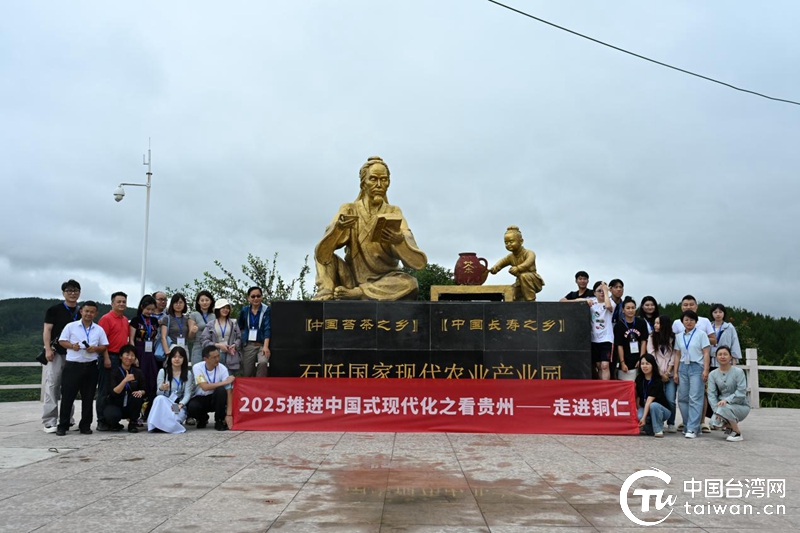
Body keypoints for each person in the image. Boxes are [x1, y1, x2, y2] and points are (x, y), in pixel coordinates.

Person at [312, 156, 428, 301]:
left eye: (384, 180)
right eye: (373, 179)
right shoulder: (349, 209)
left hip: (385, 281)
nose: (379, 185)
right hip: (350, 280)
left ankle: (361, 293)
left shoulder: (394, 212)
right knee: (322, 251)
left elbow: (418, 262)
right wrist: (338, 229)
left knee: (410, 283)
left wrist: (399, 241)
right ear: (363, 183)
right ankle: (326, 292)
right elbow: (322, 254)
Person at [56, 301, 109, 435]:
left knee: (88, 398)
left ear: (96, 313)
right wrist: (72, 346)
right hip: (73, 366)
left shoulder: (99, 329)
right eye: (86, 311)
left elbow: (104, 346)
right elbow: (62, 341)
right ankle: (63, 425)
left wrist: (95, 348)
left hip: (91, 366)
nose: (89, 314)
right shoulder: (71, 326)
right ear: (81, 311)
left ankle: (85, 426)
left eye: (92, 312)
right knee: (67, 397)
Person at [41, 279, 80, 433]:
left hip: (74, 354)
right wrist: (47, 349)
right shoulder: (54, 310)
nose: (72, 293)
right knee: (53, 385)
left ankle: (67, 419)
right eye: (69, 291)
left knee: (70, 387)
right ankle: (50, 421)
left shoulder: (81, 311)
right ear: (63, 293)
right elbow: (47, 330)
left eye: (75, 290)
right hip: (56, 352)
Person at [673, 310, 711, 439]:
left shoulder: (701, 334)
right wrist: (675, 372)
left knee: (695, 398)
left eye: (691, 320)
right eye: (686, 320)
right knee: (682, 398)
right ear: (682, 322)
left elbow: (706, 353)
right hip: (683, 367)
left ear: (696, 321)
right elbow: (677, 354)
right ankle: (689, 425)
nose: (689, 322)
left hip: (697, 367)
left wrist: (706, 370)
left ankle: (692, 428)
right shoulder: (679, 336)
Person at [96, 291, 130, 431]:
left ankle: (112, 420)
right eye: (118, 301)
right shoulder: (106, 319)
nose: (121, 304)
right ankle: (101, 421)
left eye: (124, 302)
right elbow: (101, 341)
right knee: (104, 390)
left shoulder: (125, 319)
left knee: (117, 390)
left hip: (120, 358)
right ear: (112, 303)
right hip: (108, 356)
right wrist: (106, 357)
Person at [488, 225, 545, 301]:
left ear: (521, 241)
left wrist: (518, 268)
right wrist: (495, 268)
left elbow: (527, 263)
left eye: (511, 242)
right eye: (506, 242)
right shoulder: (510, 257)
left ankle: (531, 302)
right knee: (509, 292)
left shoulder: (529, 253)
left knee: (524, 276)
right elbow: (501, 262)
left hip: (533, 280)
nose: (508, 244)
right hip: (519, 283)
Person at [707, 346, 750, 442]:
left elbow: (741, 392)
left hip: (740, 405)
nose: (722, 357)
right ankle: (730, 426)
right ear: (716, 357)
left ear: (730, 357)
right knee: (714, 422)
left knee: (724, 407)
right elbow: (711, 394)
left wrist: (727, 400)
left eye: (725, 354)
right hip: (721, 406)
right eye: (720, 354)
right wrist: (717, 411)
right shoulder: (712, 374)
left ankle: (737, 432)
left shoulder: (738, 372)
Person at [187, 346, 235, 431]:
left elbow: (229, 391)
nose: (217, 359)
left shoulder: (222, 368)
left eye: (218, 356)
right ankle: (203, 419)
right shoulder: (197, 367)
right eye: (214, 357)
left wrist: (229, 414)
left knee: (221, 390)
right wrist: (225, 382)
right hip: (201, 397)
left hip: (215, 398)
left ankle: (219, 420)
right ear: (205, 359)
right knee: (192, 406)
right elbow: (204, 387)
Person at [148, 346, 194, 434]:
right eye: (174, 357)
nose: (177, 359)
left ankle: (163, 425)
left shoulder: (188, 373)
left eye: (180, 357)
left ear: (184, 359)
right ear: (170, 359)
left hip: (177, 404)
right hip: (166, 403)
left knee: (175, 419)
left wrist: (181, 404)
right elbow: (158, 393)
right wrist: (162, 388)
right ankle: (157, 425)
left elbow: (187, 394)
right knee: (159, 398)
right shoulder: (163, 372)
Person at [129, 295, 159, 421]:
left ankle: (148, 411)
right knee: (139, 379)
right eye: (147, 309)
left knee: (151, 380)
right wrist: (133, 356)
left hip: (150, 352)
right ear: (142, 307)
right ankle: (135, 414)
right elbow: (131, 339)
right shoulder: (136, 320)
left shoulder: (154, 321)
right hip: (139, 351)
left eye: (152, 309)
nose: (149, 312)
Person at [578, 281, 615, 380]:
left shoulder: (611, 302)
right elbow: (565, 300)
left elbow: (608, 306)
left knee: (605, 365)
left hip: (606, 339)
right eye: (599, 291)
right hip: (594, 339)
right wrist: (585, 300)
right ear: (594, 292)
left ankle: (606, 387)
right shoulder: (592, 301)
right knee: (598, 366)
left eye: (604, 291)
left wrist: (606, 291)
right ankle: (601, 385)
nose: (602, 293)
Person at [104, 344, 145, 433]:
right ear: (120, 356)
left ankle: (132, 423)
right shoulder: (114, 371)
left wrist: (140, 392)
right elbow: (114, 392)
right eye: (127, 354)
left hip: (130, 403)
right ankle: (114, 424)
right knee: (112, 415)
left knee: (137, 397)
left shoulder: (138, 372)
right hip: (116, 403)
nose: (129, 357)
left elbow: (144, 389)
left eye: (132, 355)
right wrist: (125, 380)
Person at [647, 315, 678, 433]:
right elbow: (651, 355)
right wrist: (660, 373)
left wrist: (668, 372)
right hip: (657, 374)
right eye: (655, 323)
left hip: (669, 374)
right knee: (657, 399)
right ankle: (658, 421)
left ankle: (671, 422)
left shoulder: (673, 337)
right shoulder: (651, 337)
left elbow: (674, 355)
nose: (655, 325)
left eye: (658, 323)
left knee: (671, 399)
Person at [635, 353, 671, 437]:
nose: (644, 366)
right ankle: (653, 425)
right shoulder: (639, 378)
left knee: (653, 405)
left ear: (652, 365)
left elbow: (649, 400)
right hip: (646, 407)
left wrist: (644, 418)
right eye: (642, 364)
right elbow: (638, 396)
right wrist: (640, 412)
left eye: (647, 364)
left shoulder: (657, 380)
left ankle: (658, 430)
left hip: (661, 409)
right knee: (639, 416)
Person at [237, 287, 271, 377]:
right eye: (253, 296)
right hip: (249, 345)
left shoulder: (266, 310)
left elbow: (267, 328)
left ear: (262, 297)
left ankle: (260, 384)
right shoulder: (245, 310)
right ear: (248, 298)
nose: (256, 298)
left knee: (263, 362)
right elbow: (239, 326)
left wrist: (266, 346)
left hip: (262, 344)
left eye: (258, 296)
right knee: (247, 372)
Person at [202, 299, 242, 373]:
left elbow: (239, 338)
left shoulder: (234, 323)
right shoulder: (210, 324)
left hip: (230, 356)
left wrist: (235, 345)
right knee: (215, 377)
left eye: (227, 308)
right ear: (218, 309)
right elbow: (205, 341)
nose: (225, 310)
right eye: (223, 308)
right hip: (215, 355)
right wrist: (218, 345)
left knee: (229, 377)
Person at [613, 297, 649, 381]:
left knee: (639, 383)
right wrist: (622, 362)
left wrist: (641, 359)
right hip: (626, 359)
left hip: (639, 358)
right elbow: (619, 345)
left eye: (633, 308)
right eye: (628, 308)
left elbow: (644, 341)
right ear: (623, 310)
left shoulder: (641, 322)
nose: (630, 310)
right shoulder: (619, 325)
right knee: (626, 384)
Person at [188, 290, 215, 367]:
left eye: (207, 300)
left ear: (211, 301)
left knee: (211, 370)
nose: (204, 302)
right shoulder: (194, 315)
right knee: (197, 370)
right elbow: (190, 336)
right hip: (198, 346)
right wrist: (192, 331)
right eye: (202, 300)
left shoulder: (214, 316)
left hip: (210, 347)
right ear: (198, 302)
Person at [159, 293, 190, 359]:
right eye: (176, 303)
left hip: (184, 348)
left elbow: (189, 336)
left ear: (184, 304)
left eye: (180, 302)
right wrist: (167, 352)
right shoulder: (167, 318)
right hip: (172, 348)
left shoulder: (187, 319)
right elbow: (163, 337)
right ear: (172, 304)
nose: (178, 305)